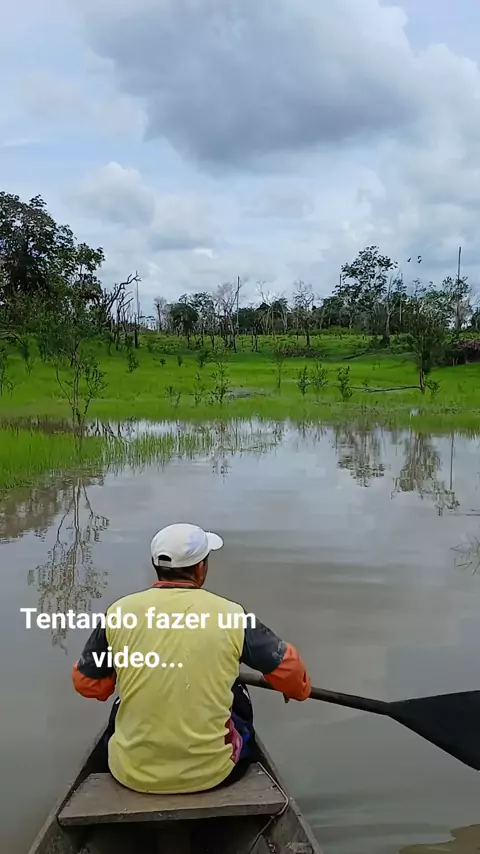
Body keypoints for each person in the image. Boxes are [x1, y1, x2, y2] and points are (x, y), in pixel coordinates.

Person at [72, 523, 311, 794]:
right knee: (235, 689)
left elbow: (89, 685)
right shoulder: (231, 614)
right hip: (212, 773)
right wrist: (297, 689)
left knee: (121, 703)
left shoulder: (118, 612)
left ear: (156, 566)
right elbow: (289, 670)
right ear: (200, 568)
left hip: (130, 772)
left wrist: (120, 669)